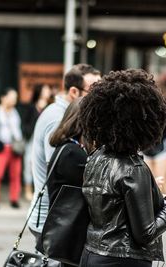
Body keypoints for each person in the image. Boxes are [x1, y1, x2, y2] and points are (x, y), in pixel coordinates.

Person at [79, 69, 166, 267]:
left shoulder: (96, 157)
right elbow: (145, 233)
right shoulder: (134, 168)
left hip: (92, 253)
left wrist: (156, 196)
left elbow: (114, 206)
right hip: (122, 261)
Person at [27, 64, 101, 245]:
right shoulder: (57, 118)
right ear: (74, 92)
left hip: (58, 218)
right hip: (52, 219)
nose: (100, 96)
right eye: (94, 90)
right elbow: (61, 173)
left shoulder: (63, 114)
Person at [0, 88, 23, 209]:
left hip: (15, 148)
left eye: (15, 98)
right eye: (11, 97)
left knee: (15, 175)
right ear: (3, 98)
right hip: (1, 147)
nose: (14, 100)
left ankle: (14, 199)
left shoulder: (16, 112)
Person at [21, 84, 52, 201]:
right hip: (31, 139)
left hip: (44, 139)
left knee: (43, 163)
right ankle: (28, 189)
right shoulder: (31, 107)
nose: (48, 92)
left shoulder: (50, 107)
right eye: (45, 90)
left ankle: (38, 189)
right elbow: (25, 123)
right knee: (28, 163)